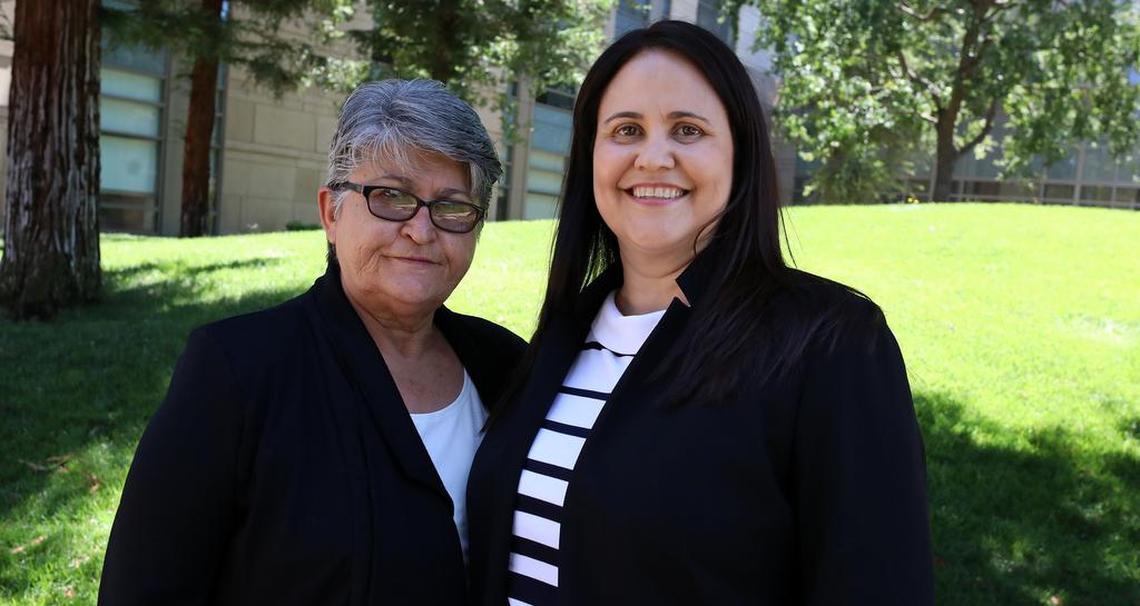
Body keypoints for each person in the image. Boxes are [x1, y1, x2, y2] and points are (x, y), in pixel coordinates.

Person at [466, 20, 935, 605]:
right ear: (592, 155)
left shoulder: (829, 344)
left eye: (687, 130)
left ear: (740, 157)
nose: (652, 157)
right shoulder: (561, 337)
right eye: (626, 130)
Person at [100, 79, 525, 605]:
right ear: (331, 212)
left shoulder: (506, 366)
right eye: (391, 196)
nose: (421, 229)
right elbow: (144, 590)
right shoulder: (238, 371)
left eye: (453, 206)